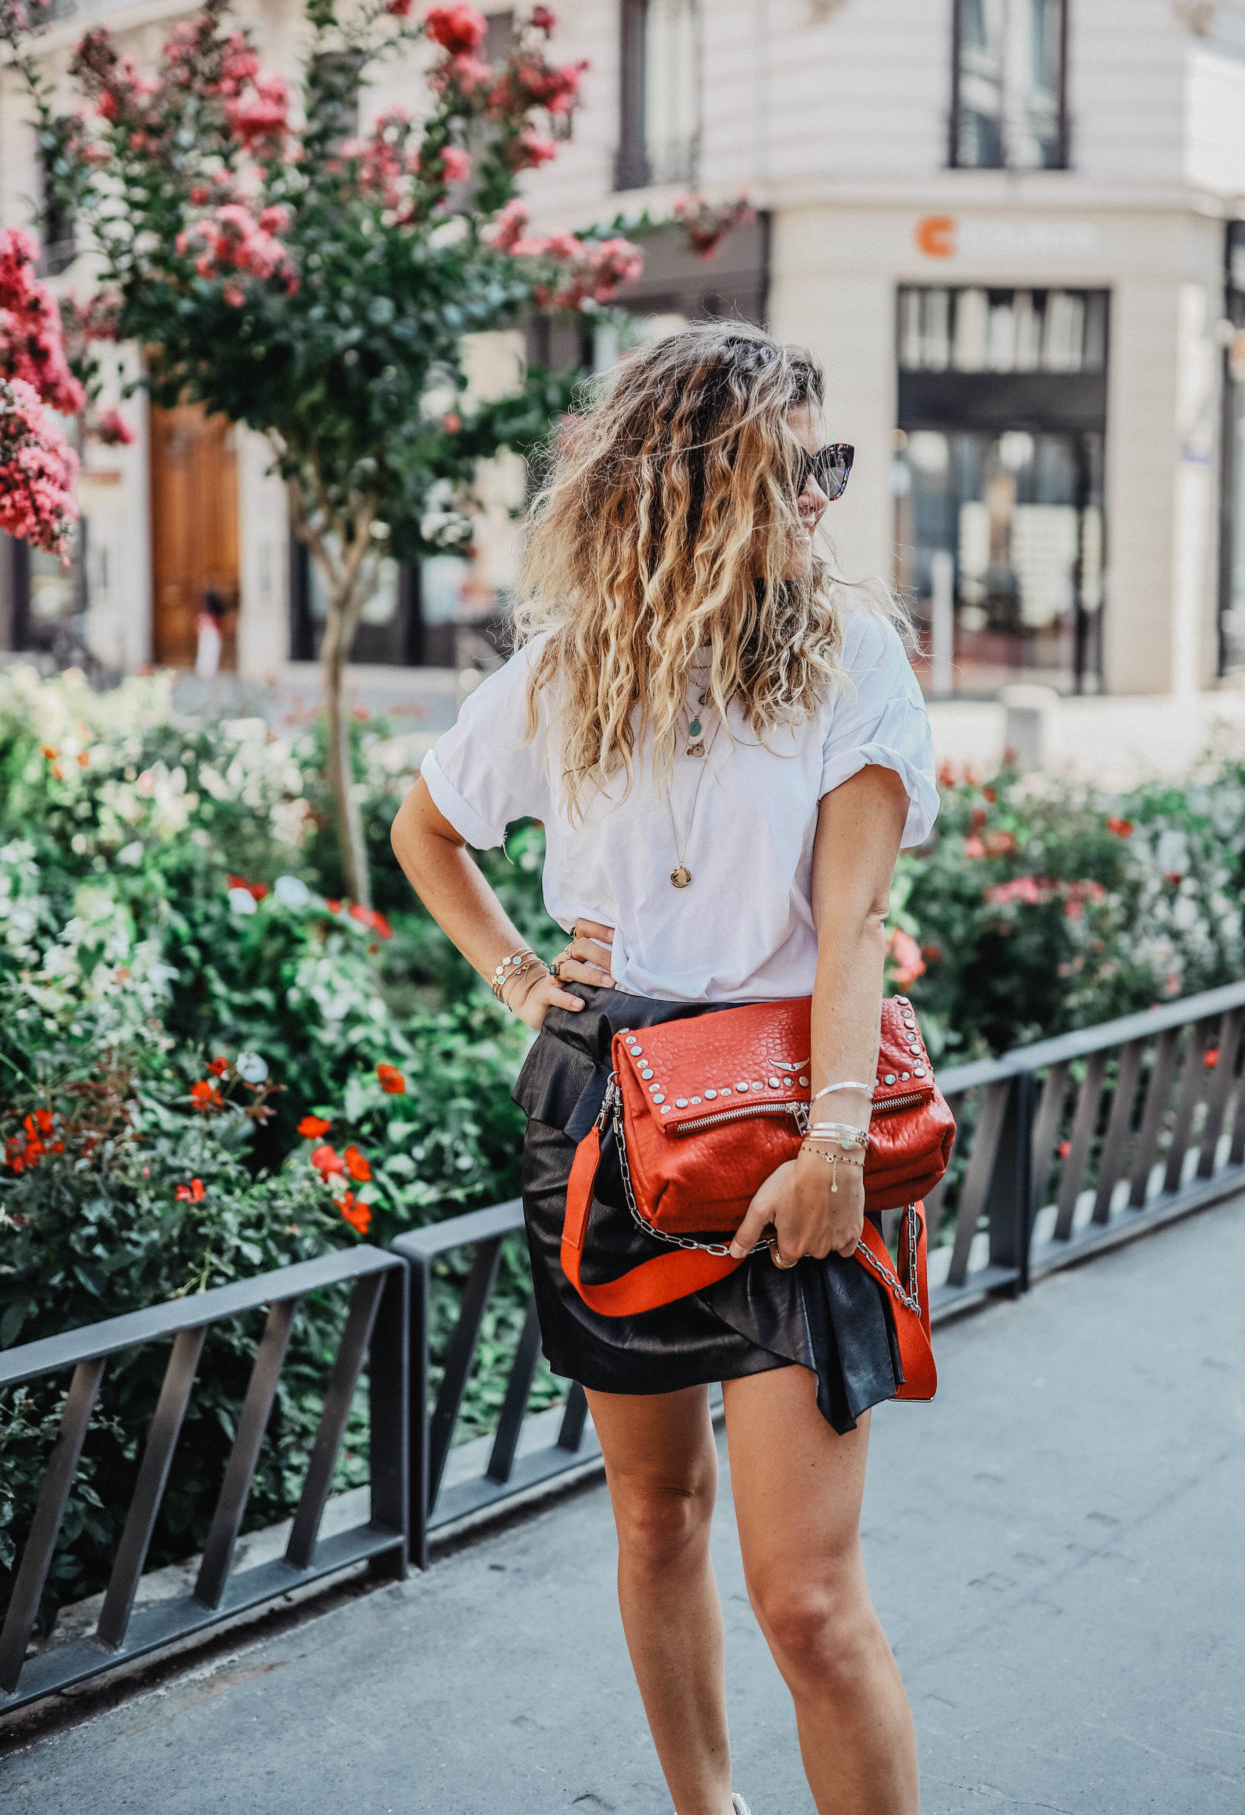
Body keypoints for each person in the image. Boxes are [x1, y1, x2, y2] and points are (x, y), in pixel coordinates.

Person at [391, 320, 938, 1815]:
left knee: (811, 1606)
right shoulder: (568, 671)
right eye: (800, 464)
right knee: (653, 1514)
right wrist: (518, 974)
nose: (825, 495)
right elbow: (426, 829)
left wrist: (837, 1151)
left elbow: (852, 929)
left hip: (783, 1128)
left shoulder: (848, 660)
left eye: (833, 463)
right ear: (702, 479)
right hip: (605, 1121)